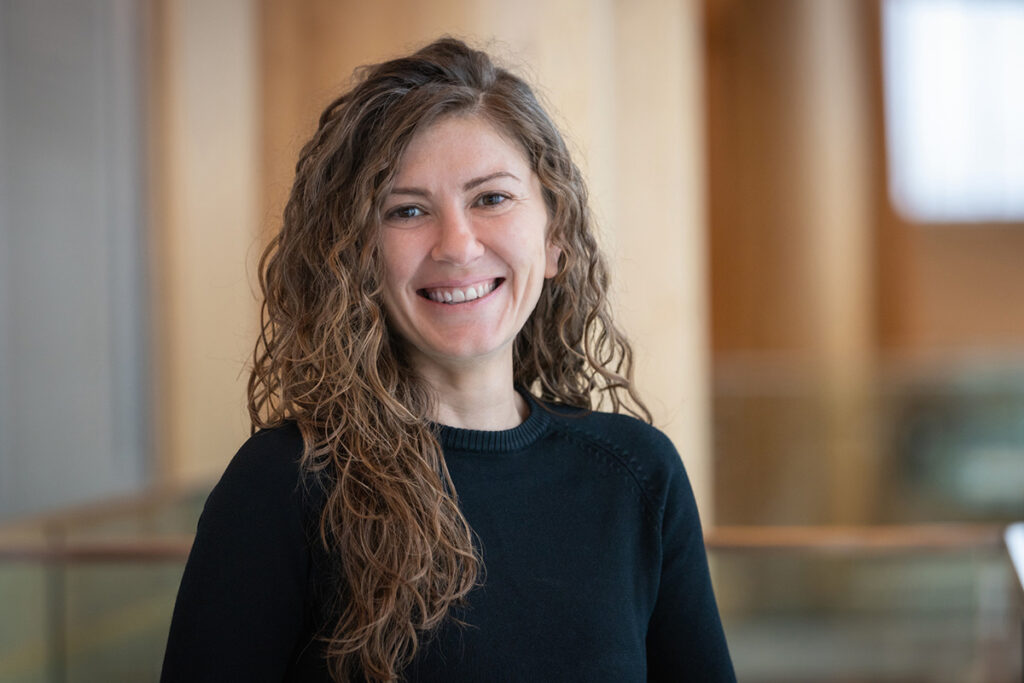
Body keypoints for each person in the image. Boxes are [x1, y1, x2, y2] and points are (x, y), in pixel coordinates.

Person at [161, 37, 735, 683]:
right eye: (407, 210)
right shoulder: (283, 486)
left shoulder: (638, 477)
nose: (458, 245)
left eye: (491, 198)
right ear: (358, 262)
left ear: (554, 239)